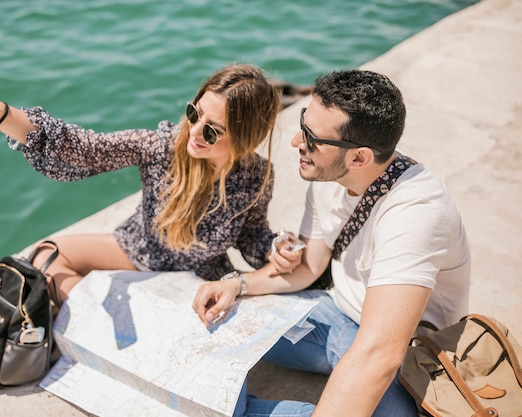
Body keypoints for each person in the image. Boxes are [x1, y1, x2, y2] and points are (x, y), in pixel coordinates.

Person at [192, 69, 471, 417]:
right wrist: (238, 283)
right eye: (302, 124)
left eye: (311, 137)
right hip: (335, 315)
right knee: (213, 316)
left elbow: (379, 354)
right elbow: (309, 267)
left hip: (406, 352)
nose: (296, 142)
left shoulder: (416, 215)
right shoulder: (328, 172)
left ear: (359, 158)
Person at [0, 55, 283, 305]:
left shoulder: (256, 178)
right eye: (195, 113)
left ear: (245, 137)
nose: (193, 130)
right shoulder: (161, 146)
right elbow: (83, 149)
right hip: (139, 249)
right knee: (44, 257)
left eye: (212, 130)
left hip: (198, 277)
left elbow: (251, 236)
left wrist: (275, 249)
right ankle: (96, 329)